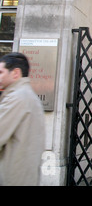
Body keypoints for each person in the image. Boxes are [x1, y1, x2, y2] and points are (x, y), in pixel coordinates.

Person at [0, 52, 45, 186]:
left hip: (13, 176)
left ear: (15, 73)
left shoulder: (17, 97)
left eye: (1, 72)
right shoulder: (26, 95)